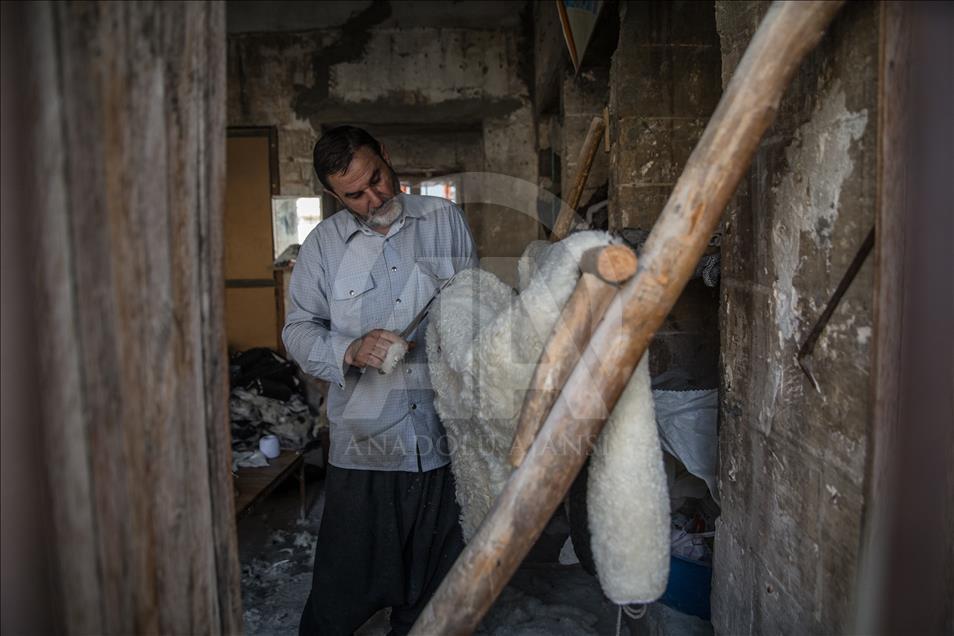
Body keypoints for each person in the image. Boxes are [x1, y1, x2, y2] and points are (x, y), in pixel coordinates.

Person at [283, 126, 478, 635]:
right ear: (333, 195)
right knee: (338, 600)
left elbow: (472, 304)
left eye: (377, 179)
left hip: (438, 441)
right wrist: (348, 350)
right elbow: (298, 330)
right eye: (355, 195)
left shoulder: (444, 220)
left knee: (436, 601)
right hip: (366, 450)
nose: (375, 198)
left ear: (386, 156)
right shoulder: (323, 248)